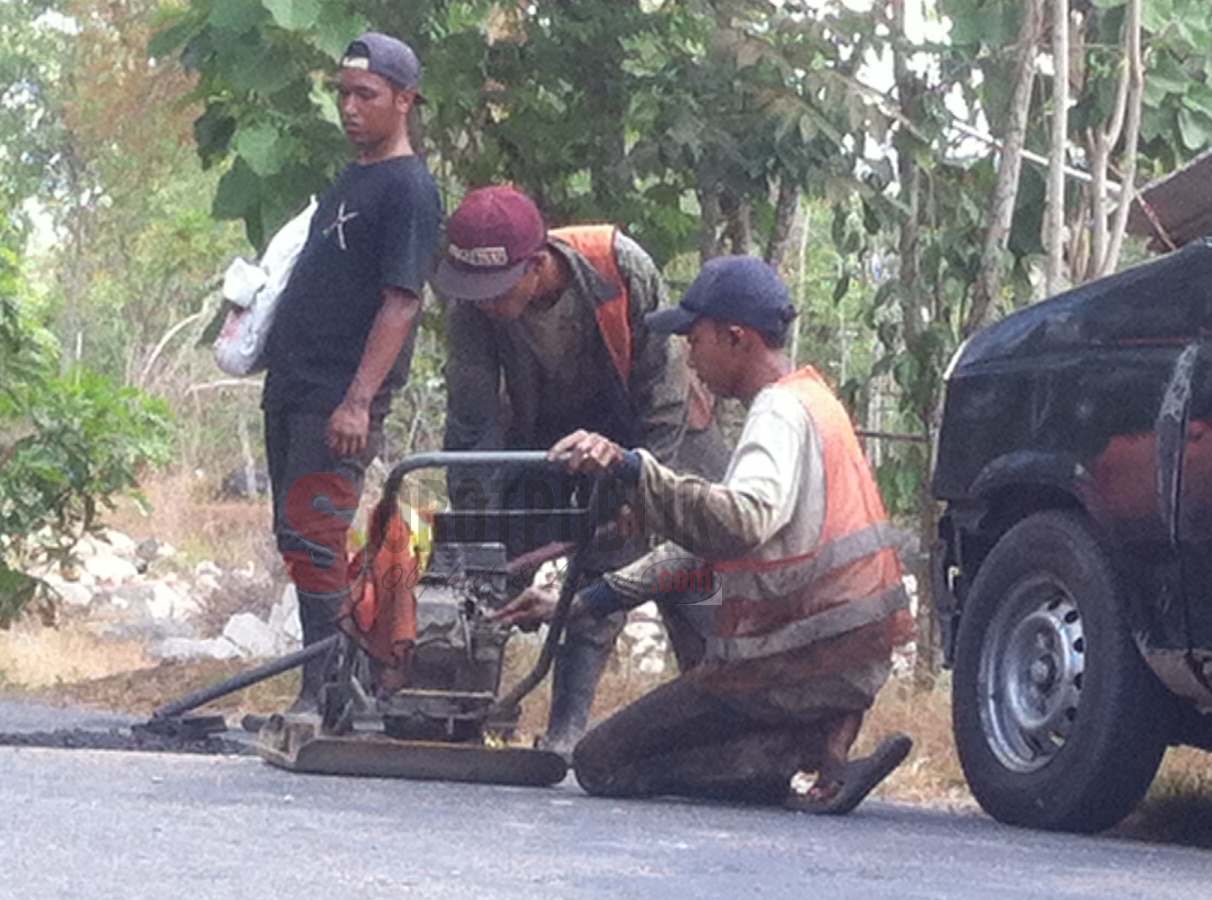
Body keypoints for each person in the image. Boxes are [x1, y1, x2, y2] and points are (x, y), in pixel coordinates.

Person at [490, 255, 914, 814]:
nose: (688, 357)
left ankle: (772, 760)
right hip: (848, 655)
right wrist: (574, 602)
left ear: (735, 337)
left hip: (791, 662)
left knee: (600, 763)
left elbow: (740, 522)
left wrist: (634, 471)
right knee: (687, 608)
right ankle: (817, 744)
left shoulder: (778, 412)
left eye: (695, 339)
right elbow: (695, 553)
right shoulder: (815, 401)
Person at [432, 186, 730, 752]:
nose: (484, 303)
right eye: (473, 292)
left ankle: (706, 725)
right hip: (544, 436)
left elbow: (662, 397)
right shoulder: (472, 303)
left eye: (496, 291)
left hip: (651, 428)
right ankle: (459, 711)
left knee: (686, 571)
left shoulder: (619, 267)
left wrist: (643, 490)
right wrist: (481, 529)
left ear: (538, 264)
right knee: (478, 567)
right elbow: (471, 423)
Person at [260, 32, 442, 712]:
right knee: (297, 535)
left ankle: (327, 693)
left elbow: (401, 301)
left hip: (338, 396)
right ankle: (331, 685)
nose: (349, 107)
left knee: (318, 531)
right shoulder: (352, 178)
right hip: (295, 385)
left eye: (366, 95)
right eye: (343, 93)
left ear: (404, 99)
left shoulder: (409, 188)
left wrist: (358, 399)